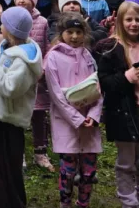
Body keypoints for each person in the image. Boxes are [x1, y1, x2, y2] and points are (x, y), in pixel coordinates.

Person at [96, 1, 139, 208]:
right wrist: (125, 77)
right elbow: (104, 82)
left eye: (138, 20)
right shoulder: (109, 48)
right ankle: (128, 200)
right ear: (120, 21)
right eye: (129, 19)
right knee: (126, 161)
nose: (134, 24)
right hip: (123, 113)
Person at [0, 6, 43, 208]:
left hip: (8, 123)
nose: (0, 26)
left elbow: (9, 87)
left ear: (11, 30)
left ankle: (12, 203)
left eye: (3, 23)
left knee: (7, 171)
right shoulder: (5, 46)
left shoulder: (23, 60)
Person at [45, 16, 102, 208]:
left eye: (79, 32)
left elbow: (98, 89)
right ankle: (65, 203)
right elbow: (55, 94)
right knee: (67, 172)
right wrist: (76, 118)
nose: (75, 36)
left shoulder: (88, 56)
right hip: (66, 123)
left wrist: (94, 115)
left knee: (88, 172)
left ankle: (83, 203)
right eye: (70, 32)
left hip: (89, 124)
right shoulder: (53, 56)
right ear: (62, 33)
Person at [12, 0, 52, 171]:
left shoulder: (42, 22)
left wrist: (42, 69)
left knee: (38, 115)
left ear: (33, 1)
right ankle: (18, 153)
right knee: (18, 116)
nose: (21, 1)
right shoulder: (10, 19)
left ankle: (40, 152)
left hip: (37, 78)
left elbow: (47, 47)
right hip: (18, 76)